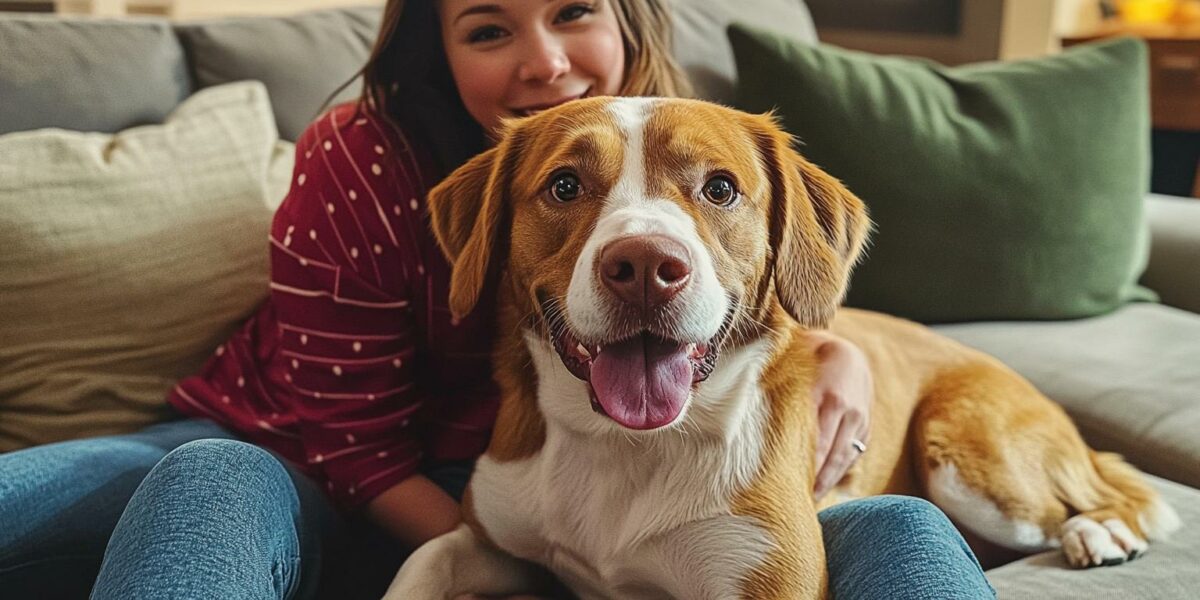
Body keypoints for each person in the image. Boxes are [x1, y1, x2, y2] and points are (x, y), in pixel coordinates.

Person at [0, 1, 995, 599]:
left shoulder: (686, 136)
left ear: (626, 21)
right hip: (294, 448)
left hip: (536, 477)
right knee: (210, 475)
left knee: (900, 527)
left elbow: (772, 286)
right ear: (439, 50)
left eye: (573, 12)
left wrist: (840, 351)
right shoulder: (364, 157)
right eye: (489, 27)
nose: (545, 60)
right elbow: (350, 441)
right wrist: (530, 560)